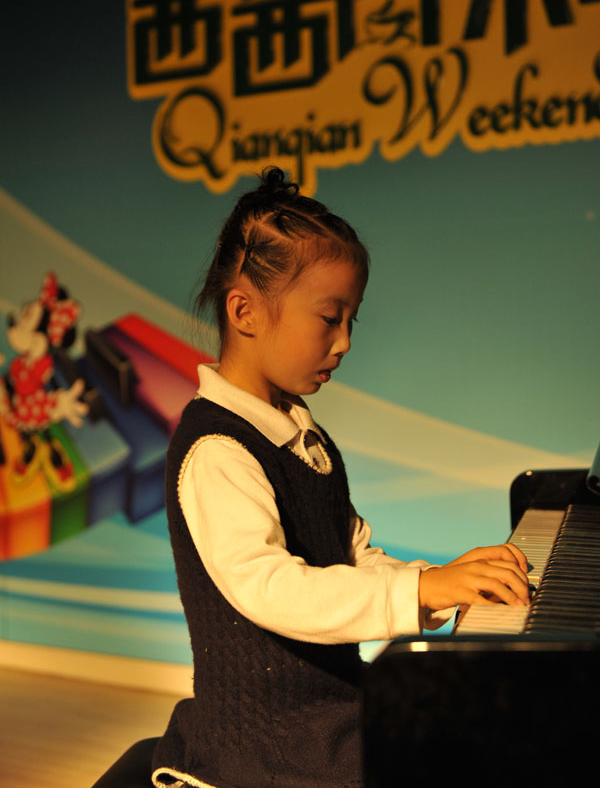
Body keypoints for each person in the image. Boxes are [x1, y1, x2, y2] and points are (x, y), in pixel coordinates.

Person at [152, 167, 529, 788]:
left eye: (353, 320)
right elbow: (273, 589)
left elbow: (353, 557)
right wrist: (419, 591)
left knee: (478, 725)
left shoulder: (303, 436)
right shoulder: (217, 449)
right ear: (245, 311)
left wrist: (437, 583)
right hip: (269, 744)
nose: (346, 341)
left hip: (328, 710)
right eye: (330, 318)